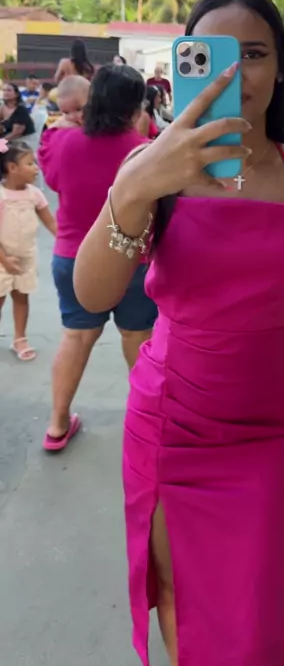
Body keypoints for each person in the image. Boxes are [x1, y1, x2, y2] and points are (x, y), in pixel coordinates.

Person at [73, 0, 284, 666]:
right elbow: (92, 292)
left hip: (265, 427)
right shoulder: (150, 169)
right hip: (172, 420)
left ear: (283, 69)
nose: (236, 73)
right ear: (186, 64)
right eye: (214, 54)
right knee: (179, 591)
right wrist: (137, 184)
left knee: (253, 613)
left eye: (253, 53)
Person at [38, 64, 157, 453]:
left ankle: (57, 424)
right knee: (138, 338)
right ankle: (148, 423)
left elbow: (51, 177)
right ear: (136, 107)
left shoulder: (61, 142)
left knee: (76, 337)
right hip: (132, 258)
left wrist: (59, 129)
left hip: (72, 258)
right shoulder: (144, 152)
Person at [0, 139, 56, 360]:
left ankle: (20, 338)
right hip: (1, 258)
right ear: (12, 168)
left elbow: (50, 222)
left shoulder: (34, 194)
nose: (36, 169)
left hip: (26, 257)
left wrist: (66, 243)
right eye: (30, 163)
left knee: (22, 297)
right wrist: (4, 260)